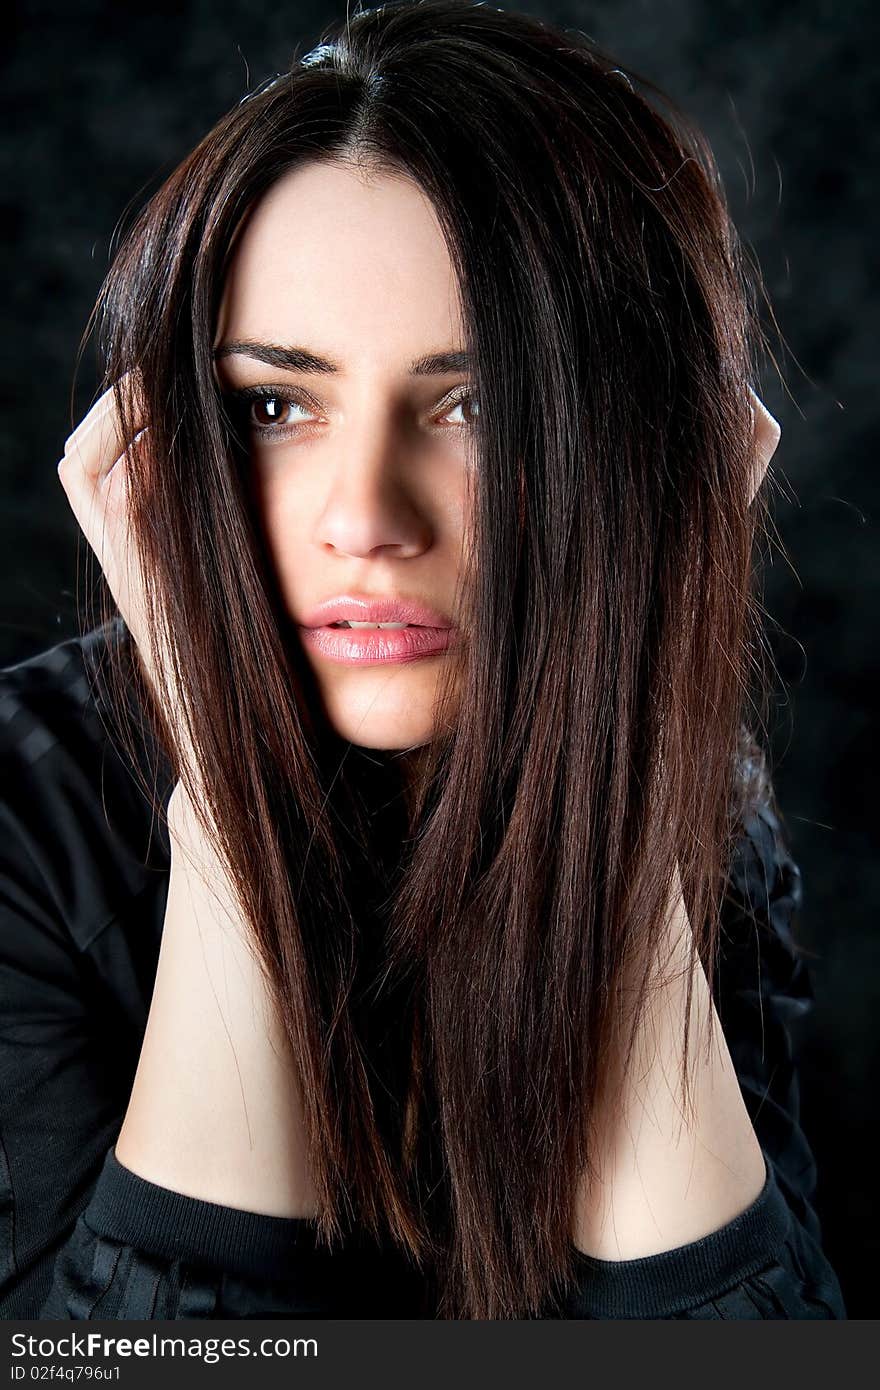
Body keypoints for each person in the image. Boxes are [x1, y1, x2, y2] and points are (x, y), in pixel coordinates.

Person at [0, 0, 846, 1320]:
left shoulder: (702, 806)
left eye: (478, 403)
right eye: (276, 405)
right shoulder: (26, 815)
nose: (367, 520)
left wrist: (607, 774)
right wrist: (231, 816)